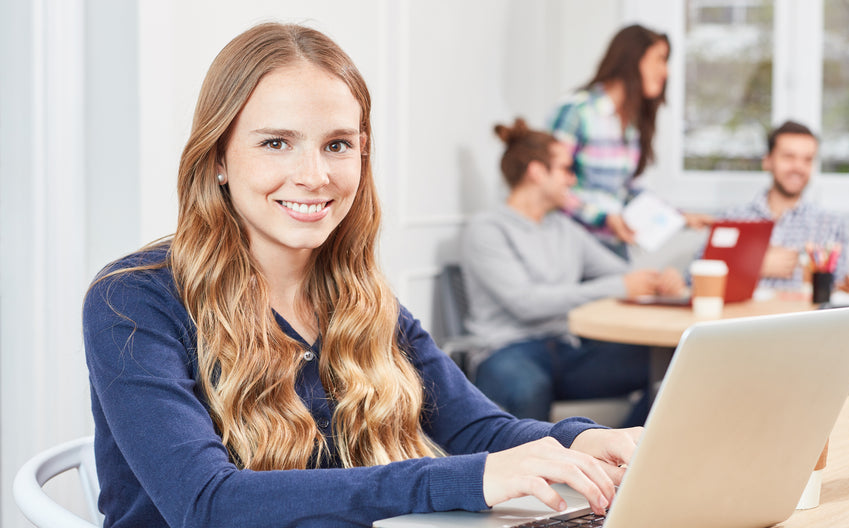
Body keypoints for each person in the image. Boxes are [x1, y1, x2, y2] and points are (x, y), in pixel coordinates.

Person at [83, 23, 640, 527]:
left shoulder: (363, 298)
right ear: (219, 159)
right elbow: (205, 502)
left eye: (337, 145)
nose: (314, 175)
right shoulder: (131, 300)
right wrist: (467, 479)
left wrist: (583, 439)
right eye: (276, 143)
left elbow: (479, 429)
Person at [461, 118, 685, 428]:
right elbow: (526, 303)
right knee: (527, 386)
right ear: (537, 172)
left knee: (676, 362)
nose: (572, 179)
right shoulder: (487, 229)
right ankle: (537, 475)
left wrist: (660, 280)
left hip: (567, 350)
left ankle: (623, 460)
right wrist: (620, 286)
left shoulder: (565, 229)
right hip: (506, 351)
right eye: (566, 169)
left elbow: (622, 273)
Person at [548, 24, 710, 258]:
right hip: (572, 247)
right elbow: (551, 185)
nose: (666, 72)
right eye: (660, 59)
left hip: (612, 248)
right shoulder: (577, 111)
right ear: (632, 59)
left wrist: (679, 217)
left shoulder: (630, 124)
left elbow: (625, 192)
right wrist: (603, 218)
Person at [713, 120, 849, 292]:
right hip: (745, 317)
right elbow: (695, 281)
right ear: (767, 161)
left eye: (807, 160)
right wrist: (753, 266)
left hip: (804, 318)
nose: (798, 167)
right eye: (788, 157)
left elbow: (841, 290)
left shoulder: (831, 223)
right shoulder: (731, 218)